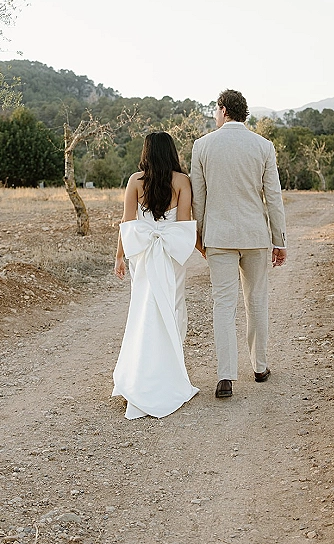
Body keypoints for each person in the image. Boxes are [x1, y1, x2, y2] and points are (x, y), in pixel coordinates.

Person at [190, 89, 287, 400]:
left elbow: (198, 198)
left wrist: (201, 236)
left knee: (223, 304)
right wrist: (279, 239)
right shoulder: (263, 146)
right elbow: (273, 196)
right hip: (256, 236)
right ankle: (259, 366)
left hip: (218, 237)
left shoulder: (202, 146)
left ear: (222, 110)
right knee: (256, 301)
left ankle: (225, 376)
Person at [112, 131, 199, 419]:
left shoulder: (136, 181)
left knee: (143, 311)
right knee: (172, 310)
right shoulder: (182, 182)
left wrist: (119, 256)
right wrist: (200, 249)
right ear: (171, 152)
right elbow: (184, 225)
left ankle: (138, 379)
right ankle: (169, 376)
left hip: (144, 255)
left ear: (146, 152)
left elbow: (127, 222)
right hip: (171, 255)